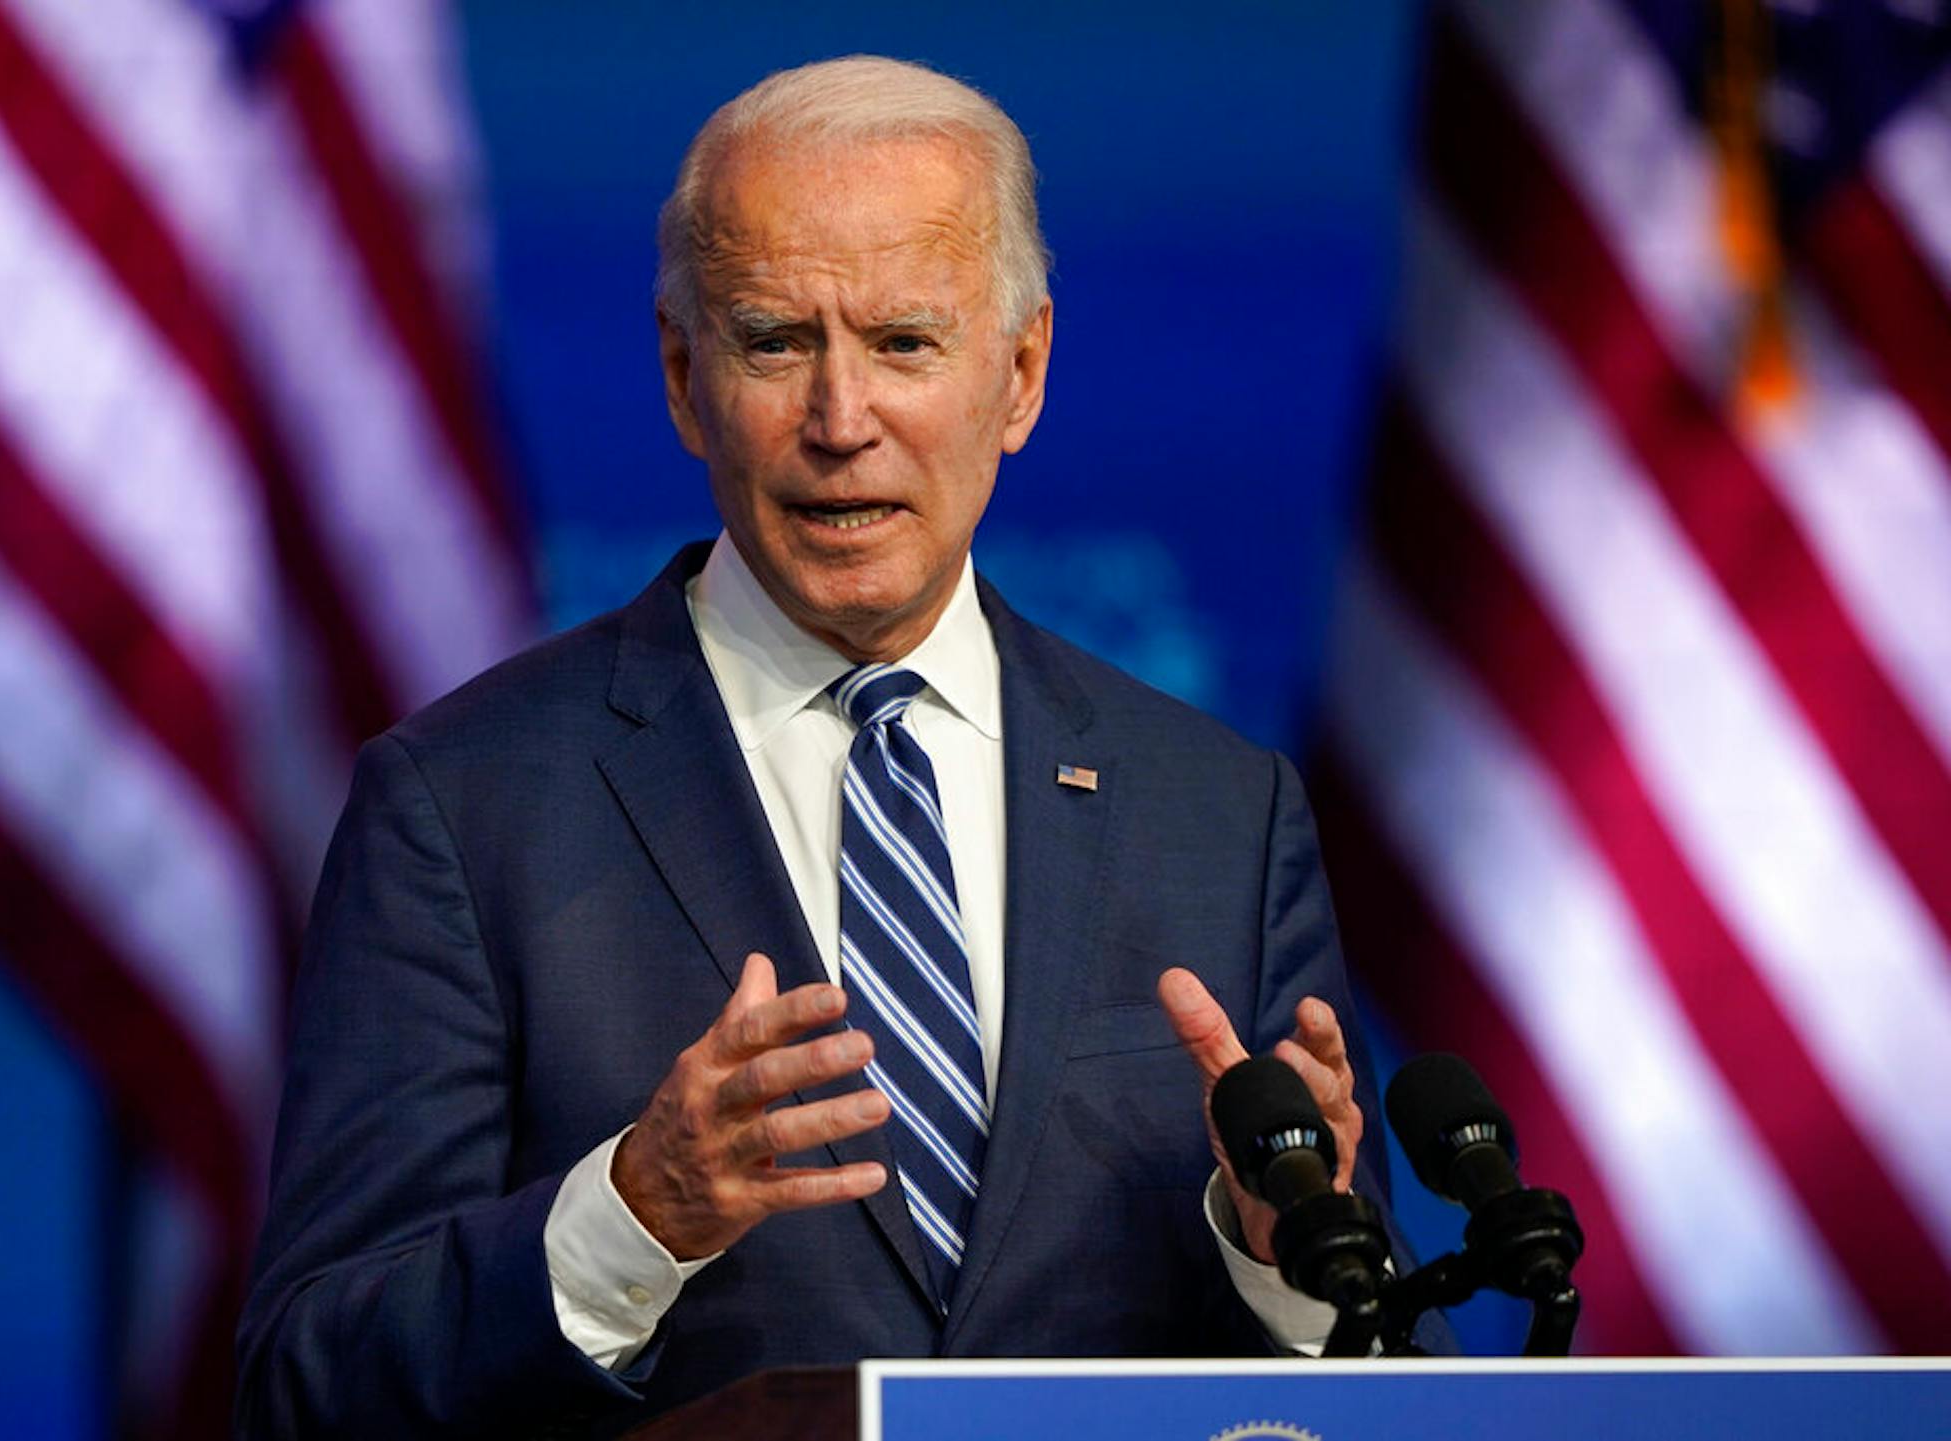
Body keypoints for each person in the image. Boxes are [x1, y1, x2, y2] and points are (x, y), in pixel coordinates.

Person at [236, 55, 1428, 1439]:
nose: (841, 421)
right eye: (773, 343)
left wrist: (1284, 1271)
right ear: (683, 378)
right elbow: (309, 1389)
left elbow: (1391, 1372)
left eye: (905, 343)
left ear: (1021, 373)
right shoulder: (462, 805)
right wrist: (630, 1216)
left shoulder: (1218, 811)